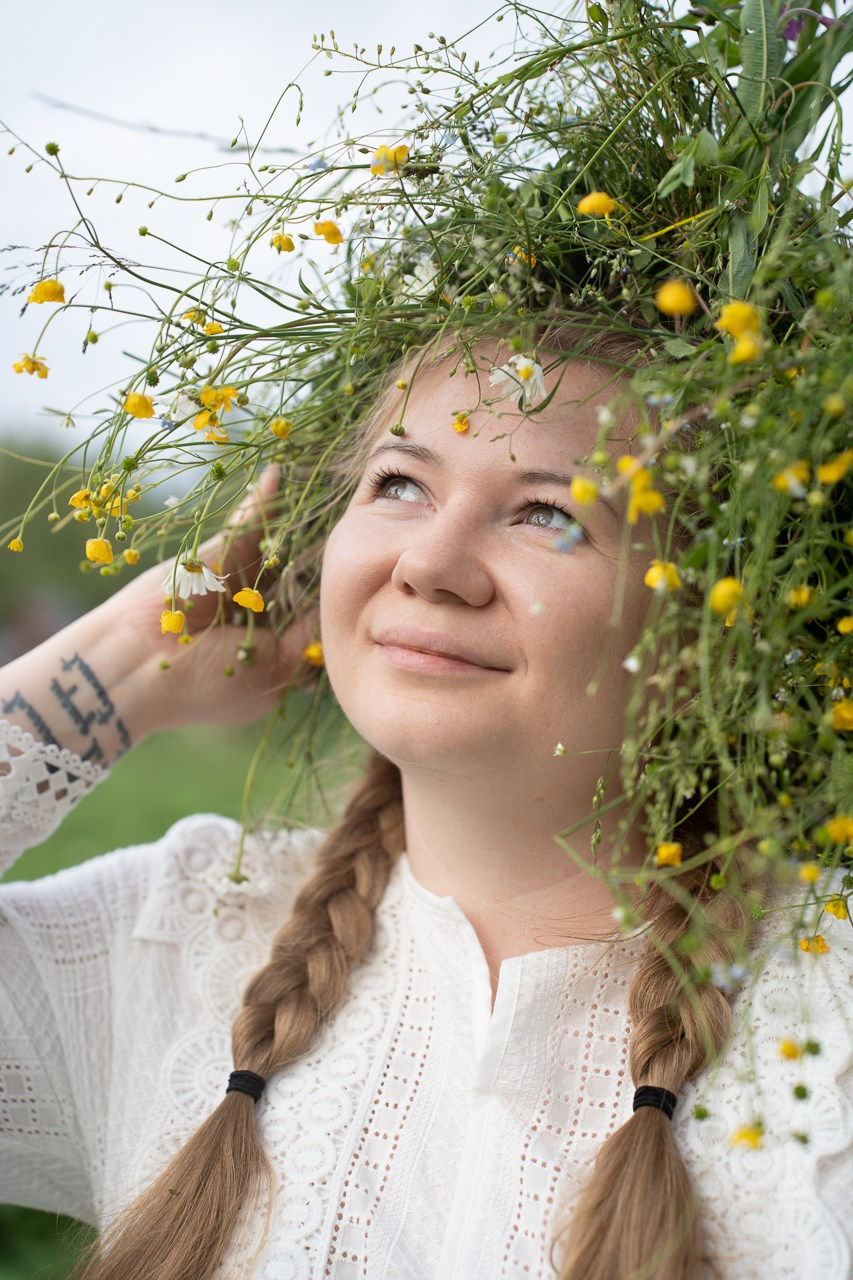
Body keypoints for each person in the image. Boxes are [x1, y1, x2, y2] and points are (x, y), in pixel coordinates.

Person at [1, 335, 851, 1280]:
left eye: (546, 512)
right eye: (399, 484)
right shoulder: (176, 933)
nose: (431, 563)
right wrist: (126, 662)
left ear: (708, 624)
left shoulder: (829, 1008)